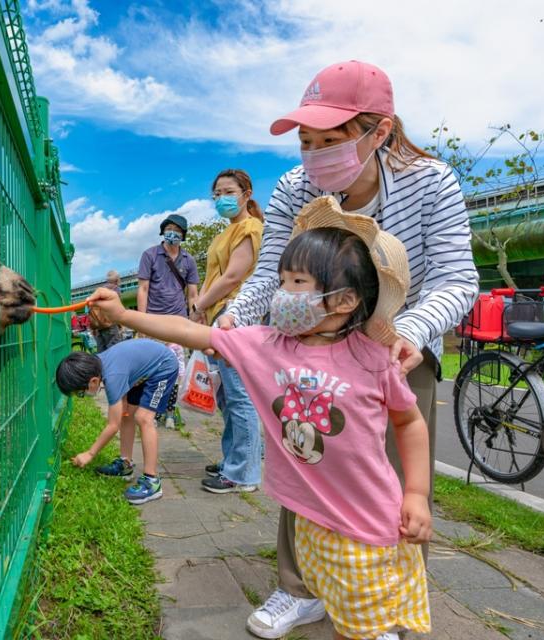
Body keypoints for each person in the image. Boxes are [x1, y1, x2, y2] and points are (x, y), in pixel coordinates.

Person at [90, 199, 433, 640]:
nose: (282, 295)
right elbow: (193, 332)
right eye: (282, 281)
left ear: (345, 300)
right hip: (311, 522)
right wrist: (122, 315)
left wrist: (418, 493)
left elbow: (409, 422)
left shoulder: (372, 358)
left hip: (368, 525)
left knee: (363, 628)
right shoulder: (267, 344)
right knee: (338, 608)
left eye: (297, 284)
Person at [218, 60, 478, 638]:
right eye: (306, 142)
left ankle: (386, 601)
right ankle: (300, 587)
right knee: (304, 449)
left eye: (330, 141)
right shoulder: (293, 189)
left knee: (393, 473)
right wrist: (238, 316)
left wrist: (409, 333)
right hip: (312, 342)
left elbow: (456, 278)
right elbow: (269, 274)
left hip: (396, 346)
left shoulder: (430, 182)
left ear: (379, 132)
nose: (313, 156)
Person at [190, 169, 265, 493]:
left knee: (239, 396)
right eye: (216, 194)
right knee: (227, 396)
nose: (221, 198)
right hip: (219, 315)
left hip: (237, 316)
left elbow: (233, 276)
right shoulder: (226, 232)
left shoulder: (250, 227)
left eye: (228, 191)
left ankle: (243, 473)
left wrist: (199, 304)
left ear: (246, 193)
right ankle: (235, 458)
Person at [55, 338, 179, 505]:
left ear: (93, 381)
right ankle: (125, 463)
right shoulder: (99, 363)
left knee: (143, 418)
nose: (82, 396)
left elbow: (113, 426)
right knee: (127, 414)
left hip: (163, 366)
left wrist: (90, 454)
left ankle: (152, 481)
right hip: (143, 369)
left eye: (81, 393)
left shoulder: (112, 376)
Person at [138, 214, 200, 428]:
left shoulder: (188, 260)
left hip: (178, 322)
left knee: (176, 370)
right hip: (154, 321)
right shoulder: (150, 255)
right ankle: (152, 410)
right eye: (169, 228)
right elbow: (143, 289)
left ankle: (170, 411)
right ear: (163, 231)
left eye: (177, 229)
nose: (172, 232)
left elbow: (193, 294)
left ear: (183, 235)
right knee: (153, 368)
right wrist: (141, 321)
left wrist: (194, 324)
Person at [92, 270, 124, 352]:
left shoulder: (99, 290)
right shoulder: (116, 290)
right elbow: (117, 310)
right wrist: (121, 325)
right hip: (111, 324)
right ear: (117, 280)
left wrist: (94, 328)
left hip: (99, 326)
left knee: (101, 352)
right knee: (114, 351)